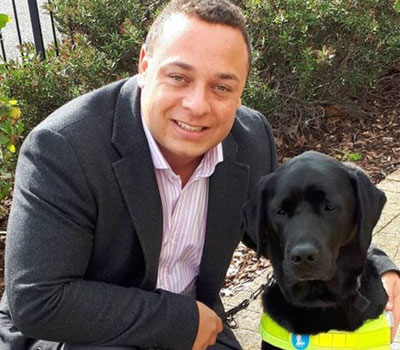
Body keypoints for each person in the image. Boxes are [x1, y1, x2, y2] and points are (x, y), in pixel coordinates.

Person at [0, 1, 399, 349]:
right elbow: (40, 300)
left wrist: (375, 261)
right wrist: (180, 320)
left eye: (222, 87)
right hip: (82, 336)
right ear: (144, 66)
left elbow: (285, 219)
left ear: (241, 91)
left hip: (196, 332)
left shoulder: (250, 139)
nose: (197, 105)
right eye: (179, 77)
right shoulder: (64, 147)